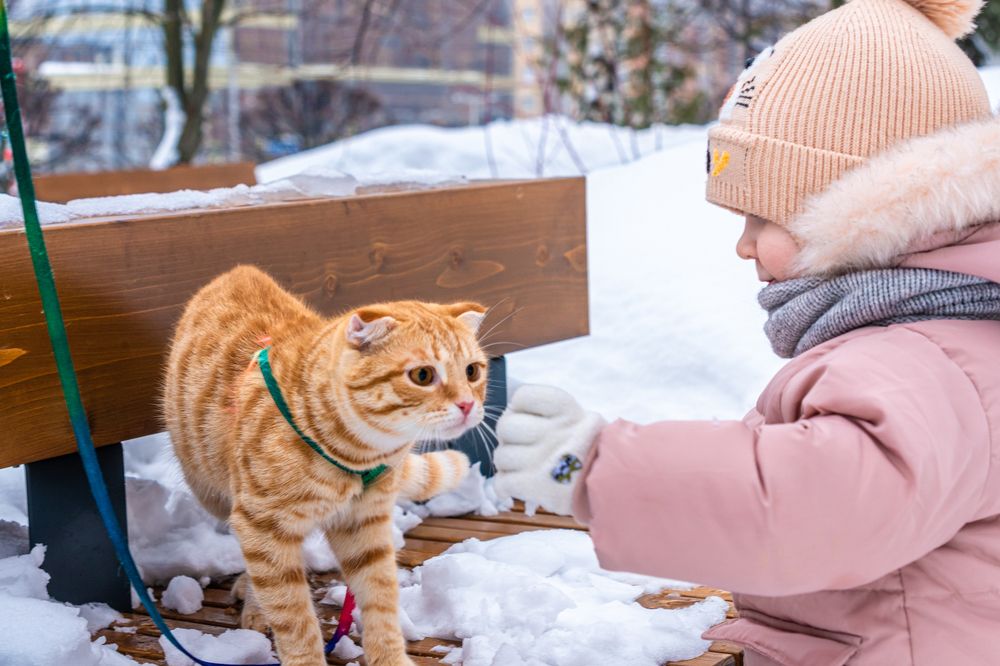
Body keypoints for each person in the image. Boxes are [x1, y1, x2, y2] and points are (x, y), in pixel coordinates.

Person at [492, 0, 1000, 664]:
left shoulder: (922, 362)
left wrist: (591, 468)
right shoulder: (942, 336)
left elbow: (812, 507)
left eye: (764, 218)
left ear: (865, 212)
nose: (743, 245)